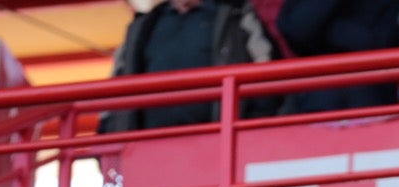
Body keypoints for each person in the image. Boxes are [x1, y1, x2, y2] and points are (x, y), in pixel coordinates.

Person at [101, 0, 279, 132]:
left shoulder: (237, 15)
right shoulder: (143, 26)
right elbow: (115, 88)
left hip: (222, 143)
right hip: (148, 148)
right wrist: (108, 137)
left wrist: (250, 128)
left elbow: (266, 75)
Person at [275, 0, 399, 113]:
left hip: (368, 95)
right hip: (318, 93)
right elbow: (295, 30)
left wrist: (328, 35)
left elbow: (378, 42)